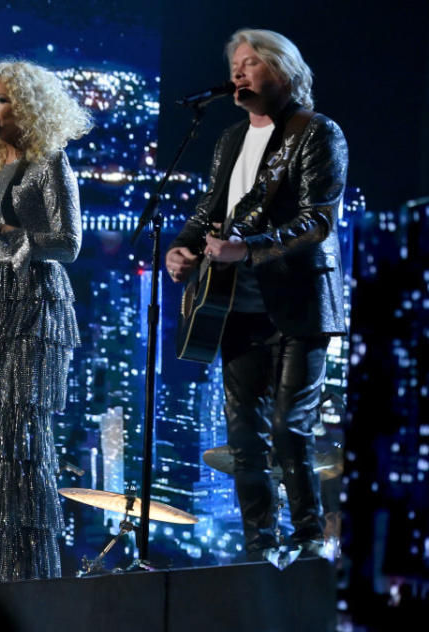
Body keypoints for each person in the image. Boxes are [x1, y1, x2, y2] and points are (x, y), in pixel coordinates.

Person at [166, 29, 348, 562]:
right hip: (234, 303)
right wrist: (181, 248)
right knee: (244, 432)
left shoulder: (317, 133)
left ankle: (309, 539)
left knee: (289, 426)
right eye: (236, 65)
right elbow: (210, 210)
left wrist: (249, 249)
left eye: (251, 63)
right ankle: (259, 545)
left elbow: (317, 220)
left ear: (283, 71)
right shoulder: (228, 140)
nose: (239, 72)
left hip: (301, 301)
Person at [0, 60, 92, 582]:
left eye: (1, 100)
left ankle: (27, 571)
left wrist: (2, 228)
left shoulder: (50, 162)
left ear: (27, 107)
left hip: (36, 308)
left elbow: (69, 245)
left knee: (21, 431)